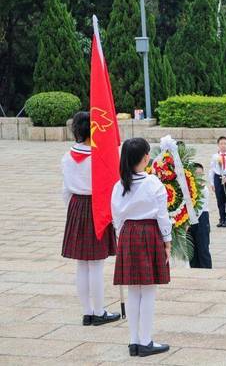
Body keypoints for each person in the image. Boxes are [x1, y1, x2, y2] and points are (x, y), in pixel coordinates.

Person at [111, 138, 172, 358]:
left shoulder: (119, 185)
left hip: (127, 234)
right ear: (145, 157)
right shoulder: (153, 183)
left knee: (133, 290)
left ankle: (134, 341)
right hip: (148, 233)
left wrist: (122, 237)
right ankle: (145, 341)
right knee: (147, 290)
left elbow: (116, 217)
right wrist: (167, 241)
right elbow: (162, 216)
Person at [61, 111, 120, 326]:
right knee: (95, 264)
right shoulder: (99, 158)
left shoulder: (67, 157)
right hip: (96, 206)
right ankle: (99, 311)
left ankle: (87, 311)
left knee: (82, 264)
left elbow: (65, 190)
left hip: (76, 205)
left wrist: (74, 210)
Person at [188, 163, 212, 269]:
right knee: (192, 251)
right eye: (196, 174)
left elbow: (199, 209)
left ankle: (207, 271)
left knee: (203, 249)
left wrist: (187, 222)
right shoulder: (188, 189)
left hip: (201, 219)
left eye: (201, 174)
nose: (199, 176)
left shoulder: (204, 189)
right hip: (190, 221)